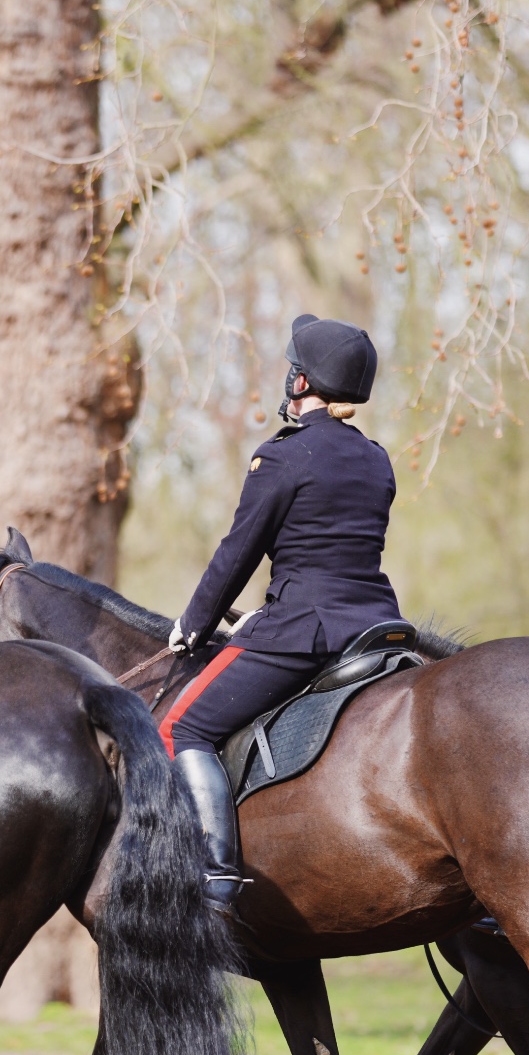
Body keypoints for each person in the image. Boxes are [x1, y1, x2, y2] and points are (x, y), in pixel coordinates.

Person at [163, 315, 404, 911]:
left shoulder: (283, 456)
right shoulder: (377, 459)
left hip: (304, 629)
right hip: (375, 623)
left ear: (301, 381)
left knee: (179, 727)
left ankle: (215, 873)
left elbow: (238, 551)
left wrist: (194, 624)